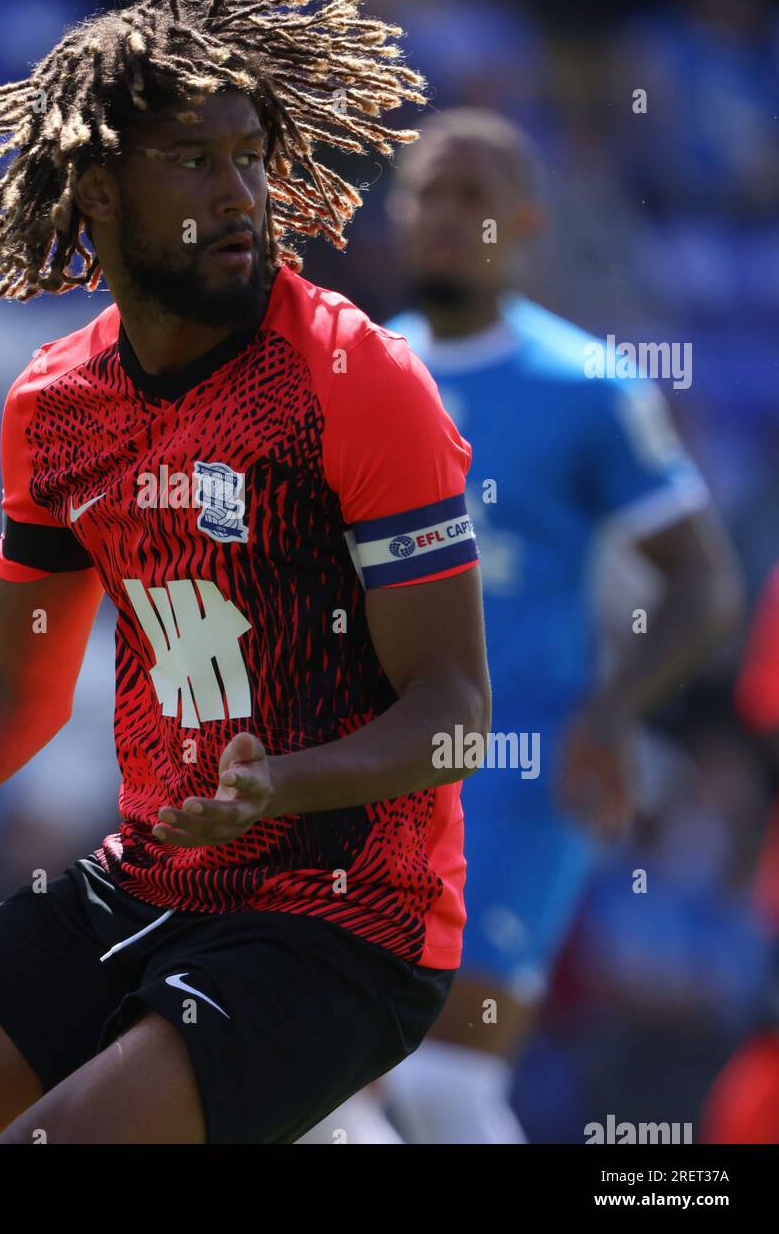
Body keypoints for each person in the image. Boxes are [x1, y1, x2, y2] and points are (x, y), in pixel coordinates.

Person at [0, 0, 490, 1145]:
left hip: (345, 918)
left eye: (249, 156)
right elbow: (15, 692)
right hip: (147, 882)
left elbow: (459, 716)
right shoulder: (56, 407)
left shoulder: (354, 380)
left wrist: (290, 781)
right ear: (103, 189)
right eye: (194, 160)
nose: (240, 194)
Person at [300, 106, 742, 1144]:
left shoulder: (587, 388)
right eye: (430, 195)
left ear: (527, 223)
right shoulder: (348, 376)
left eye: (475, 198)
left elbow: (703, 581)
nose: (449, 218)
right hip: (362, 758)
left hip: (522, 759)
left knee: (443, 1077)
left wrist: (612, 711)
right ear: (399, 215)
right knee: (323, 1084)